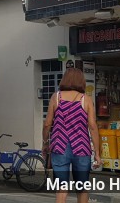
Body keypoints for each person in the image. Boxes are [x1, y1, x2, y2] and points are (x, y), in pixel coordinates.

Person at [43, 68, 101, 203]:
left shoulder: (56, 97)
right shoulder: (85, 99)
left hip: (59, 146)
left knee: (62, 189)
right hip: (81, 147)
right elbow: (92, 126)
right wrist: (97, 152)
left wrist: (45, 142)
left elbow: (47, 124)